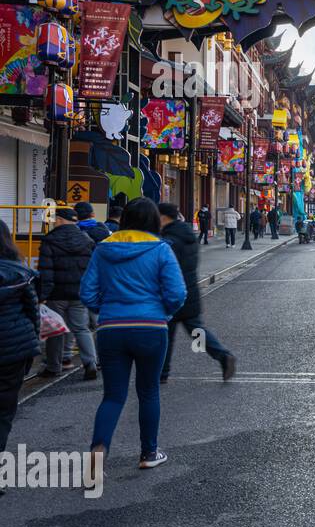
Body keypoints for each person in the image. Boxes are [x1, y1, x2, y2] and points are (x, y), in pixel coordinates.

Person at [80, 198, 187, 485]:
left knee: (113, 395)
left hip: (111, 328)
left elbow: (87, 293)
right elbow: (177, 293)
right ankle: (148, 453)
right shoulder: (161, 249)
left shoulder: (104, 248)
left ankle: (98, 450)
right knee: (149, 391)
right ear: (153, 220)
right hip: (151, 327)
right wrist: (161, 311)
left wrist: (108, 310)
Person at [158, 203, 236, 384]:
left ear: (163, 217)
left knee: (166, 334)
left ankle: (162, 372)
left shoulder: (170, 240)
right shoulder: (185, 235)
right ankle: (222, 356)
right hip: (190, 293)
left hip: (173, 294)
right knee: (195, 331)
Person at [0, 221, 41, 482]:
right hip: (13, 351)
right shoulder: (20, 273)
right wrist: (32, 346)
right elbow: (33, 313)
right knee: (3, 413)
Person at [37, 206, 97, 380]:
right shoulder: (86, 239)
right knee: (81, 328)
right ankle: (90, 363)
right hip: (79, 293)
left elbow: (46, 271)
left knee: (56, 330)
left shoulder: (50, 240)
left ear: (61, 220)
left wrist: (43, 296)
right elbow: (92, 268)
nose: (54, 221)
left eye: (56, 219)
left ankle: (54, 366)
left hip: (57, 294)